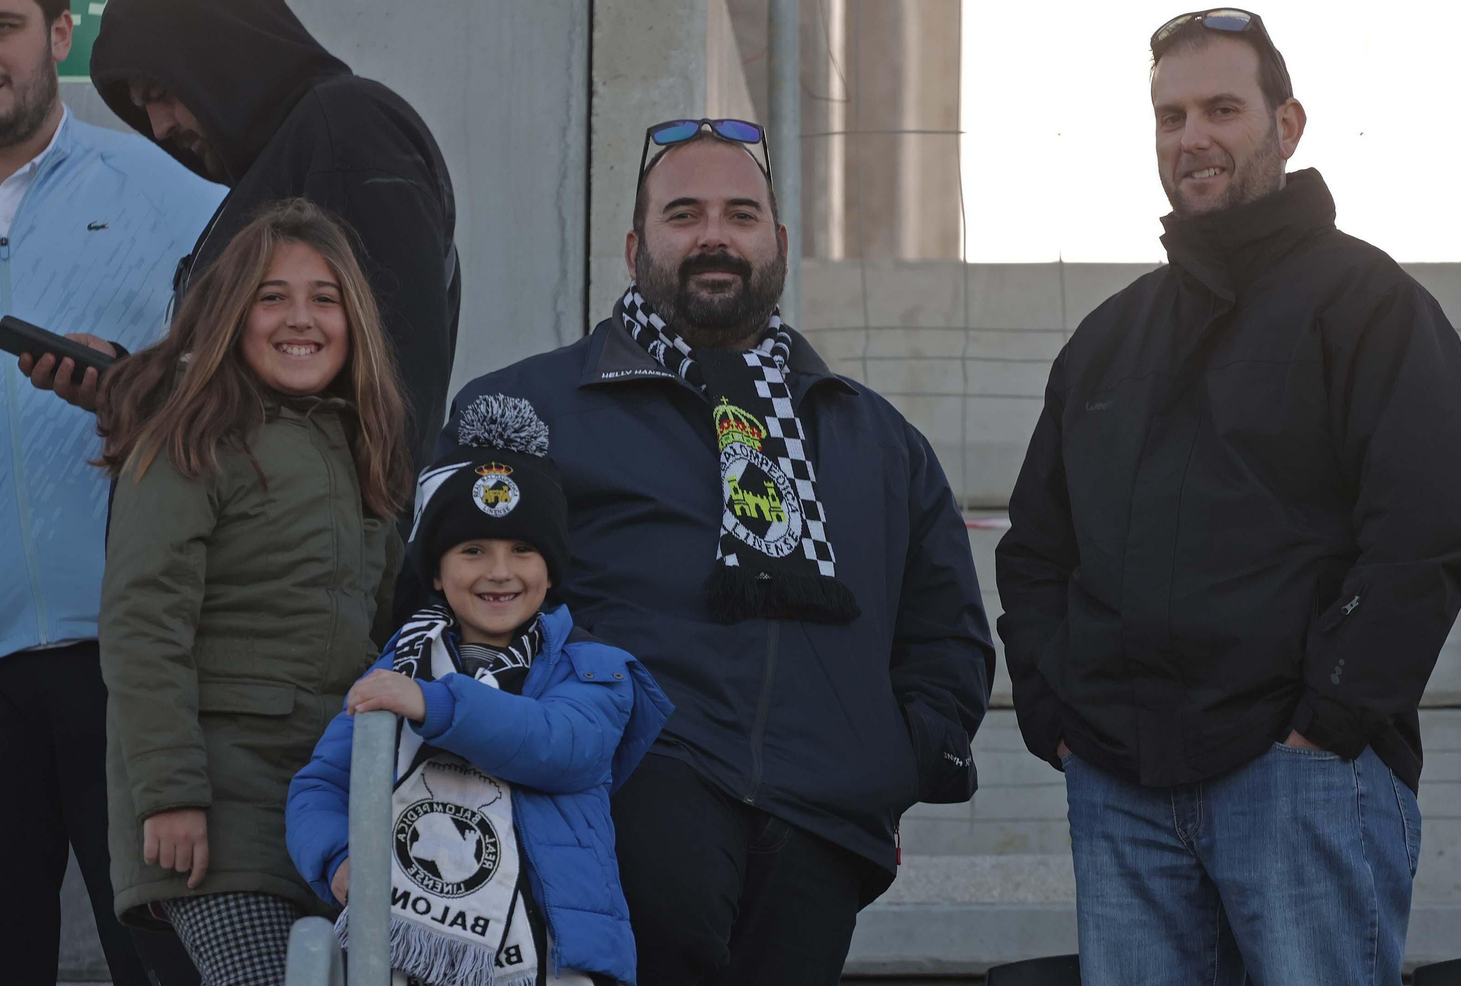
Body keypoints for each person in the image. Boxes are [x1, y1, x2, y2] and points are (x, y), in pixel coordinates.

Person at [995, 10, 1461, 985]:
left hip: (1300, 775)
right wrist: (1057, 714)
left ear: (1288, 123)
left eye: (1221, 108)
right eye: (1169, 114)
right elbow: (1036, 548)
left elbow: (1434, 529)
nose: (1191, 137)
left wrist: (1326, 722)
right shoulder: (1107, 339)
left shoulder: (1371, 307)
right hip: (1119, 782)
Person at [425, 119, 993, 984]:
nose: (715, 237)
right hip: (617, 808)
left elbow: (946, 631)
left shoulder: (877, 440)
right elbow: (432, 608)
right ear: (633, 246)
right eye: (683, 214)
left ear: (780, 242)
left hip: (823, 828)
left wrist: (890, 758)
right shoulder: (524, 410)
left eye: (740, 214)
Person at [0, 0, 221, 982]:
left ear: (61, 33)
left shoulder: (180, 199)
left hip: (136, 672)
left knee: (167, 965)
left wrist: (138, 388)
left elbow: (258, 398)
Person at [95, 198, 412, 986]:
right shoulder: (190, 438)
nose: (298, 318)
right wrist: (168, 793)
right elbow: (143, 621)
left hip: (332, 808)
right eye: (271, 296)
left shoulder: (357, 449)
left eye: (324, 297)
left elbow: (388, 630)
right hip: (217, 810)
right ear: (230, 316)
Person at [287, 394, 673, 986]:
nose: (500, 571)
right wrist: (340, 860)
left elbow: (558, 746)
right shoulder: (399, 668)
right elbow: (322, 784)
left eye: (523, 550)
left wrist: (436, 703)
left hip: (548, 961)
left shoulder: (594, 669)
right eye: (473, 551)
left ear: (551, 570)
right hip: (403, 957)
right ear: (437, 574)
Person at [84, 0, 459, 477]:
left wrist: (365, 541)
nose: (159, 127)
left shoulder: (349, 130)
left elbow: (394, 387)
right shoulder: (297, 153)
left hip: (311, 545)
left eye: (161, 92)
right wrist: (136, 384)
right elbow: (266, 395)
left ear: (222, 53)